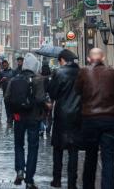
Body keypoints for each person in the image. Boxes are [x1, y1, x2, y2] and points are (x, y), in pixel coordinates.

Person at [74, 48, 114, 189]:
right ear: (103, 58)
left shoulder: (83, 72)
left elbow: (77, 91)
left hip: (90, 121)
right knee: (108, 158)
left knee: (90, 156)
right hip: (108, 120)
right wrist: (113, 94)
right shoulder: (112, 72)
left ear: (89, 59)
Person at [5, 53, 47, 189]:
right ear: (35, 66)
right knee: (33, 147)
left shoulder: (14, 79)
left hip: (18, 117)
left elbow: (7, 98)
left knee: (19, 144)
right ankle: (29, 179)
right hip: (34, 118)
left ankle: (20, 170)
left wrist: (12, 114)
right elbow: (41, 99)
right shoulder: (38, 80)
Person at [48, 50, 81, 189]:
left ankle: (57, 179)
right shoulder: (81, 73)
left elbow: (53, 93)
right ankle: (72, 182)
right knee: (74, 150)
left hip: (62, 115)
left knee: (58, 148)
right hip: (77, 115)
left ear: (62, 60)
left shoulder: (58, 73)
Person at [0, 60, 15, 124]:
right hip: (5, 92)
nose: (4, 66)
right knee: (7, 105)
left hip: (13, 92)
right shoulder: (1, 72)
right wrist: (1, 80)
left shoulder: (13, 71)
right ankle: (9, 117)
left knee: (12, 105)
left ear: (8, 64)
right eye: (3, 65)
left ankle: (12, 117)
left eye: (5, 65)